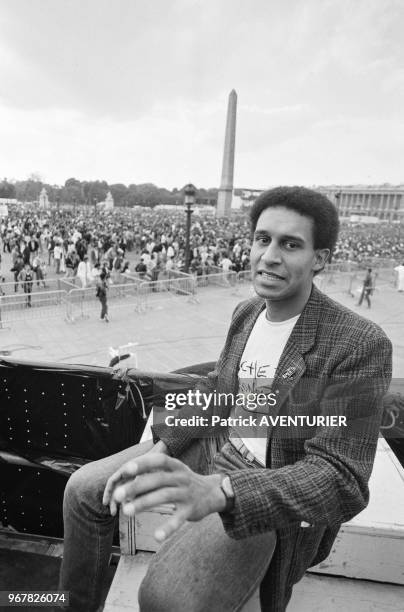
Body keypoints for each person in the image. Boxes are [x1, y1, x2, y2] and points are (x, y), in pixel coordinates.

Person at [59, 187, 392, 612]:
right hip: (216, 444)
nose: (269, 255)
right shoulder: (247, 312)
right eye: (262, 238)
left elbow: (341, 477)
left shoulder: (358, 342)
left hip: (265, 480)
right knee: (83, 490)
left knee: (163, 596)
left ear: (320, 259)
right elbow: (219, 390)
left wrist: (224, 490)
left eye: (290, 244)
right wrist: (166, 445)